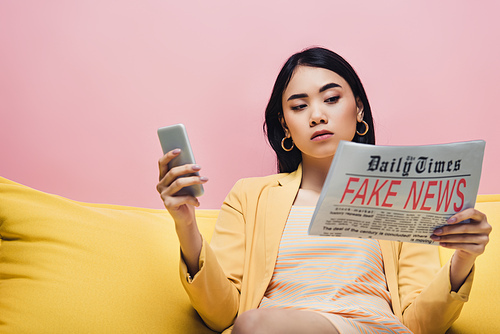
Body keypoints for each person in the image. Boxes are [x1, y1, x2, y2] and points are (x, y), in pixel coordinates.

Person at [156, 47, 491, 334]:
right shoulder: (250, 196)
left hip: (365, 326)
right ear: (284, 123)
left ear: (358, 109)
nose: (317, 115)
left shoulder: (400, 195)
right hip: (267, 329)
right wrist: (185, 225)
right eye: (299, 106)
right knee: (251, 325)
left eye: (331, 99)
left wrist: (464, 257)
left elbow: (422, 324)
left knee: (254, 326)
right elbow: (220, 315)